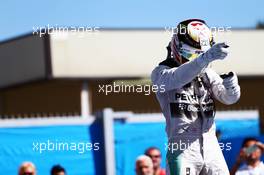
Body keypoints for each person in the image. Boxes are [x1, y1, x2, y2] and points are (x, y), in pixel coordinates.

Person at [151, 19, 240, 175]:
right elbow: (179, 77)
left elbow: (230, 98)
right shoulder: (160, 73)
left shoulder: (207, 73)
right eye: (191, 54)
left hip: (211, 145)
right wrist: (204, 58)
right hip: (182, 148)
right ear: (177, 47)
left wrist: (230, 83)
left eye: (201, 54)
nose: (195, 59)